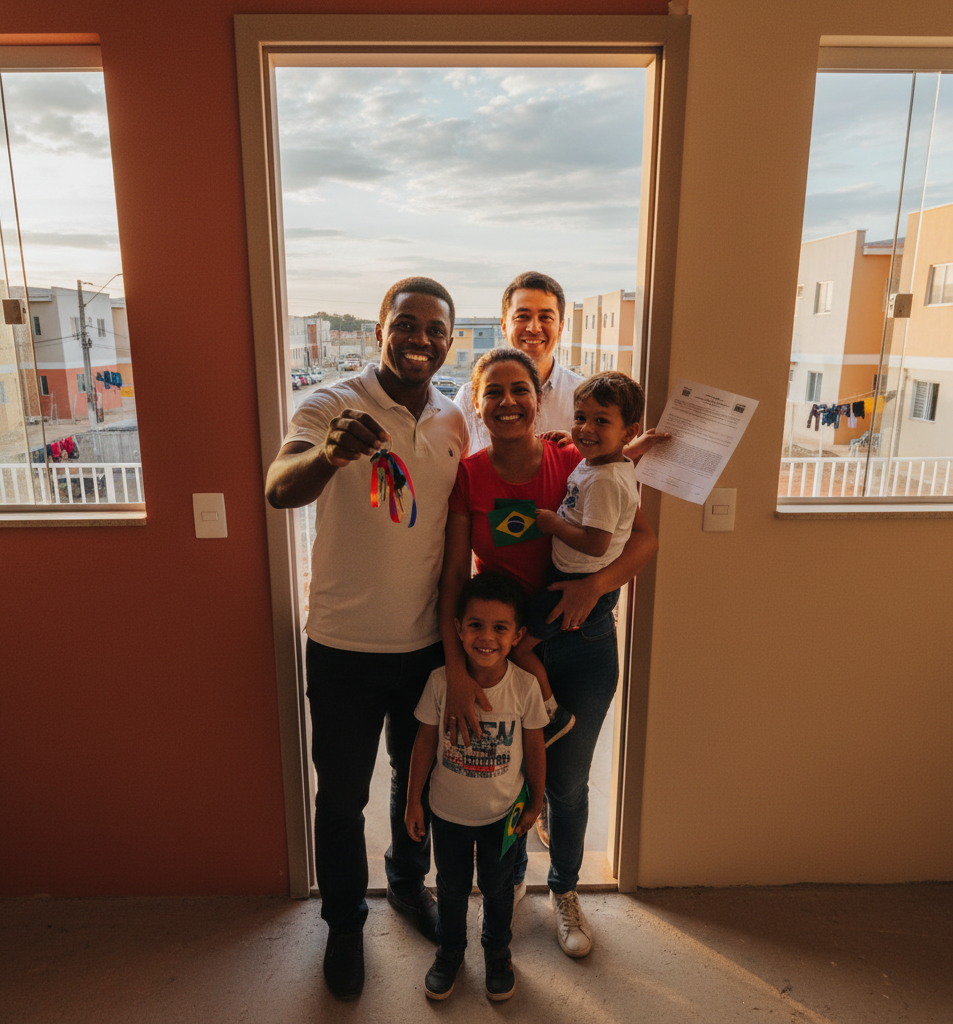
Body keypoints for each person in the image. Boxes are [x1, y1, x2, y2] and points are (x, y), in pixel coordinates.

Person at [265, 277, 468, 1001]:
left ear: (450, 341)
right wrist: (328, 455)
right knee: (342, 797)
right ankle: (345, 925)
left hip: (424, 646)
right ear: (380, 329)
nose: (420, 339)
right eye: (406, 324)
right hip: (344, 646)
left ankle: (408, 886)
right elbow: (279, 487)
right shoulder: (331, 403)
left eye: (436, 329)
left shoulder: (453, 417)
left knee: (418, 783)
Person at [439, 347, 658, 960]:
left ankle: (564, 889)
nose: (508, 401)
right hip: (506, 652)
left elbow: (643, 539)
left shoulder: (574, 459)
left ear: (539, 400)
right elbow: (455, 575)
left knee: (566, 783)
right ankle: (509, 878)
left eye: (521, 390)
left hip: (583, 641)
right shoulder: (469, 475)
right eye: (493, 391)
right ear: (476, 403)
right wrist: (457, 666)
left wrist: (594, 586)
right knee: (508, 780)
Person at [406, 571, 548, 1002]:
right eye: (475, 625)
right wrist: (413, 800)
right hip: (448, 813)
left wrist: (536, 801)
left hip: (503, 816)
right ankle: (449, 952)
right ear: (458, 629)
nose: (486, 637)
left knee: (498, 888)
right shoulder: (440, 682)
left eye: (500, 627)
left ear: (517, 635)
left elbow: (535, 747)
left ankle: (497, 953)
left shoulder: (524, 687)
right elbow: (424, 741)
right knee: (450, 887)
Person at [514, 371, 645, 702]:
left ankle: (550, 708)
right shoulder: (602, 464)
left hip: (578, 582)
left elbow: (596, 544)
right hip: (573, 575)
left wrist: (553, 525)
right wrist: (575, 441)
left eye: (601, 421)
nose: (586, 428)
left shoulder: (604, 481)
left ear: (629, 432)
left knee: (519, 648)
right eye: (580, 418)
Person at [454, 271, 582, 455]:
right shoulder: (468, 398)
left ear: (560, 327)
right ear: (504, 326)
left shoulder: (584, 398)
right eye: (522, 316)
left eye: (545, 317)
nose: (534, 328)